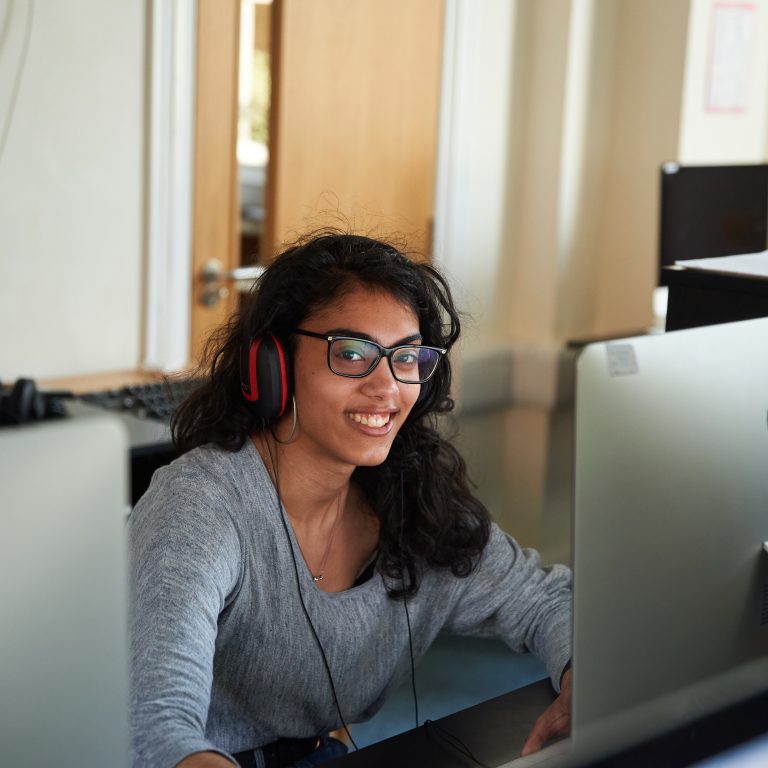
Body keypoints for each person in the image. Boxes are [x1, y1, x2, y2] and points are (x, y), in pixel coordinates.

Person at [128, 231, 572, 768]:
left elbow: (546, 601)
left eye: (406, 357)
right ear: (272, 364)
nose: (387, 387)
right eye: (354, 353)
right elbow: (154, 728)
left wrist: (582, 678)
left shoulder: (414, 502)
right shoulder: (200, 505)